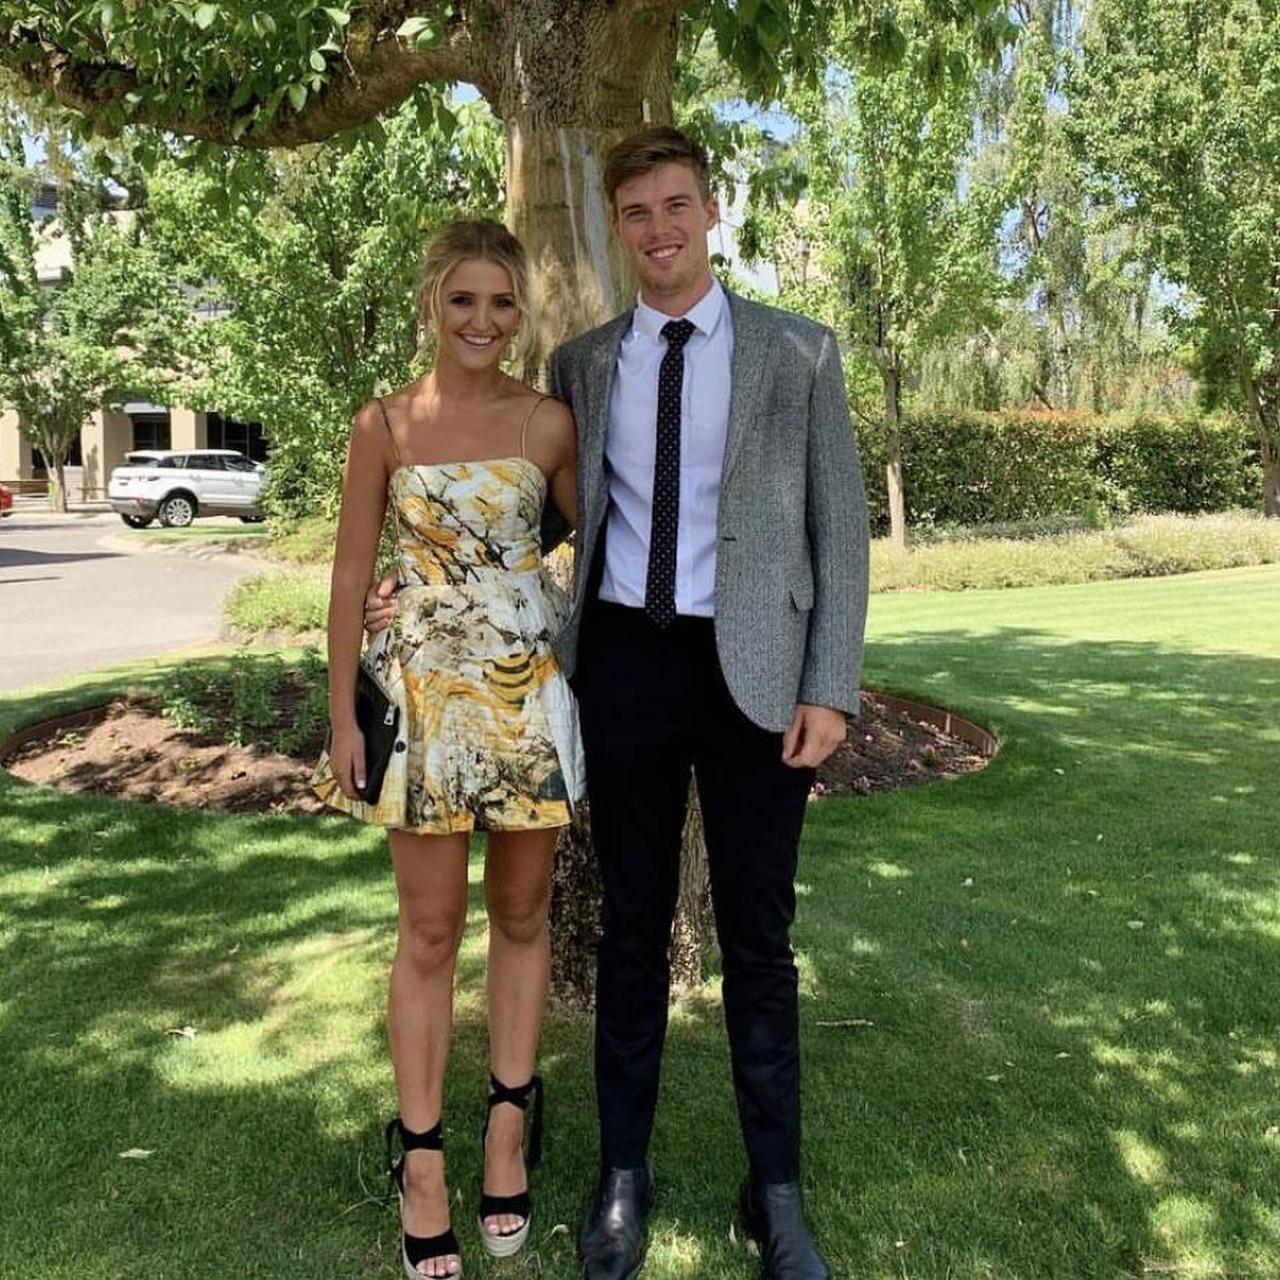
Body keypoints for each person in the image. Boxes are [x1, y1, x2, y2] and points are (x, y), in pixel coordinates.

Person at [368, 127, 868, 1280]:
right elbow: (535, 510)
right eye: (635, 211)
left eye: (675, 204)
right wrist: (426, 574)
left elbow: (838, 530)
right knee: (629, 928)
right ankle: (620, 1176)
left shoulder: (797, 351)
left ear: (710, 210)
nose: (658, 229)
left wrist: (828, 686)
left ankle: (774, 1191)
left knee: (758, 937)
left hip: (756, 675)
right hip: (625, 669)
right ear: (616, 226)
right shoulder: (584, 364)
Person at [314, 218, 581, 1278]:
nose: (483, 320)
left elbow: (599, 541)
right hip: (420, 703)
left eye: (502, 302)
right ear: (432, 303)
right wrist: (343, 714)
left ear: (520, 312)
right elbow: (348, 575)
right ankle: (421, 1161)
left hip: (523, 700)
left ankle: (507, 1127)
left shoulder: (549, 423)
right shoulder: (381, 423)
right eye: (464, 299)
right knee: (427, 931)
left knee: (521, 914)